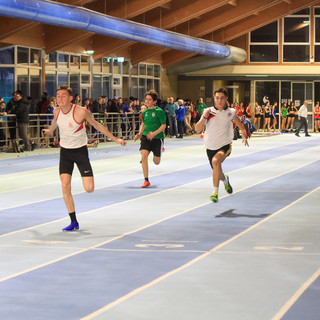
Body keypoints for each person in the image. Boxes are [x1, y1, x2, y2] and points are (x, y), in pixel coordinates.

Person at [43, 85, 126, 231]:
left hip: (80, 152)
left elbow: (97, 125)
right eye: (58, 95)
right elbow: (55, 124)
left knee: (89, 189)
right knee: (65, 186)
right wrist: (50, 131)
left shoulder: (80, 111)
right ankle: (73, 221)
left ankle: (88, 182)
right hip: (65, 153)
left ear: (70, 98)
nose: (59, 98)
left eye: (63, 95)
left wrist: (115, 139)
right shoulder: (56, 111)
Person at [195, 87, 248, 203]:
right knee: (216, 169)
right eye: (217, 98)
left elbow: (239, 124)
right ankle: (225, 181)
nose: (219, 101)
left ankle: (215, 193)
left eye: (222, 98)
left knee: (215, 161)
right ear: (214, 99)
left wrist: (244, 135)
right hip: (210, 146)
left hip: (225, 145)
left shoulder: (231, 112)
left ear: (226, 99)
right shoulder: (208, 111)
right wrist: (204, 116)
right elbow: (198, 129)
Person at [134, 90, 166, 188]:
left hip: (157, 138)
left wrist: (154, 133)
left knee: (156, 162)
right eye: (146, 99)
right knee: (143, 157)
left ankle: (160, 149)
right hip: (145, 137)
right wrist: (139, 134)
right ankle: (146, 180)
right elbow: (143, 124)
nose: (147, 101)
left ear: (154, 101)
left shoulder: (159, 112)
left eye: (149, 100)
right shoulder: (144, 112)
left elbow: (163, 125)